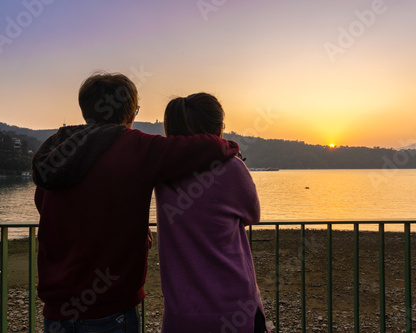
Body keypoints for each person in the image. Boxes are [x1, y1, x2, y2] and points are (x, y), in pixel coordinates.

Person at [32, 73, 239, 332]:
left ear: (86, 111)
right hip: (110, 310)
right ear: (130, 114)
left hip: (56, 312)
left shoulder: (60, 150)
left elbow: (51, 207)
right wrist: (230, 146)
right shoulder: (135, 146)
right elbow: (204, 146)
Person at [155, 93, 270, 333]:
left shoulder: (161, 170)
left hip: (181, 314)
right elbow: (253, 214)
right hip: (234, 309)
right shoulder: (231, 167)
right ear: (218, 128)